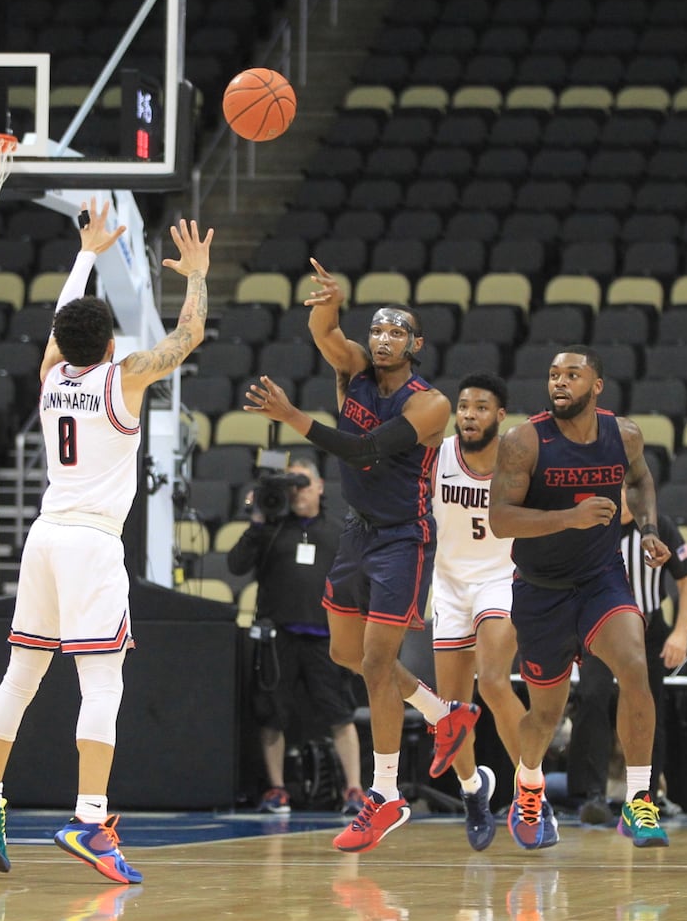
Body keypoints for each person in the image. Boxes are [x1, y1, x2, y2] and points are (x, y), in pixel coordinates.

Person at [0, 200, 212, 884]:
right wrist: (196, 275)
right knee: (101, 680)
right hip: (92, 545)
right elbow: (187, 337)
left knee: (21, 676)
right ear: (109, 345)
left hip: (43, 541)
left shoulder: (50, 378)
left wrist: (86, 255)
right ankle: (90, 819)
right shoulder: (121, 380)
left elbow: (58, 325)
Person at [242, 258, 480, 854]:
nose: (382, 338)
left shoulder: (430, 405)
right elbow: (326, 335)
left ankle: (384, 795)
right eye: (376, 328)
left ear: (416, 344)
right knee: (345, 653)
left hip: (404, 536)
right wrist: (330, 302)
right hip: (358, 531)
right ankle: (441, 712)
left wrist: (293, 418)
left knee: (376, 661)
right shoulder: (355, 369)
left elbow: (366, 451)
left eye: (396, 331)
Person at [488, 345, 673, 849]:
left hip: (601, 581)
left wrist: (651, 527)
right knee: (546, 712)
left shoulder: (624, 434)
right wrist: (567, 518)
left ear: (597, 386)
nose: (560, 383)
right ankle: (529, 786)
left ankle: (638, 800)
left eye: (572, 374)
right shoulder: (523, 441)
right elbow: (500, 519)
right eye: (553, 375)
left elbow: (639, 480)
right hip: (541, 590)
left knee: (635, 666)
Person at [225, 453, 366, 816]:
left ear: (319, 486)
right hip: (278, 638)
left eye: (303, 483)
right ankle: (276, 789)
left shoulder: (338, 531)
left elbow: (358, 581)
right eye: (290, 485)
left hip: (326, 637)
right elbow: (236, 565)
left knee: (341, 714)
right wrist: (257, 520)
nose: (297, 491)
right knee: (271, 715)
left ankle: (354, 790)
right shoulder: (270, 530)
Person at [428, 371, 526, 850]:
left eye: (480, 407)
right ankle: (473, 792)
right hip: (447, 585)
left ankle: (531, 790)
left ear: (500, 415)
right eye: (464, 406)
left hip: (499, 580)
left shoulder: (518, 459)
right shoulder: (438, 454)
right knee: (451, 713)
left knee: (492, 682)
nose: (469, 414)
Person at [567, 488, 687, 824]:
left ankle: (646, 796)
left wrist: (681, 632)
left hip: (649, 629)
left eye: (627, 492)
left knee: (648, 706)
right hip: (600, 627)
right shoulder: (592, 527)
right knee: (591, 698)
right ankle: (591, 795)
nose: (622, 498)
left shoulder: (658, 527)